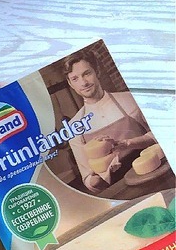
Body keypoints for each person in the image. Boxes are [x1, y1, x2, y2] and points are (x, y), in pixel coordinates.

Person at [64, 50, 158, 193]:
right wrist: (100, 175)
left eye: (87, 73)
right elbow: (89, 181)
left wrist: (127, 144)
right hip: (122, 192)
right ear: (70, 84)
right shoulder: (74, 127)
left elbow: (161, 136)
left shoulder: (131, 99)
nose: (83, 83)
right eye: (75, 79)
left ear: (97, 71)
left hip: (156, 174)